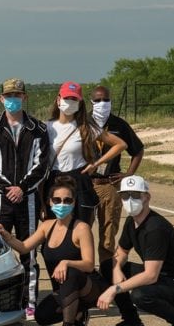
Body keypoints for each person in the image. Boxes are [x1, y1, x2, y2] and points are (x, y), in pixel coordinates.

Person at [0, 176, 108, 326]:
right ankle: (78, 315)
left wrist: (67, 262)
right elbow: (24, 247)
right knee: (42, 317)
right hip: (63, 289)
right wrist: (6, 235)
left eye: (67, 200)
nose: (62, 204)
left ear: (74, 202)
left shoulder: (81, 228)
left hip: (88, 287)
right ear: (50, 203)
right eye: (57, 200)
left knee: (71, 272)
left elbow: (89, 264)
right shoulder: (47, 226)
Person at [97, 175, 174, 326]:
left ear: (147, 197)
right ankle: (132, 322)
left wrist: (114, 289)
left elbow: (150, 276)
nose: (130, 200)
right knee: (108, 265)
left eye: (136, 195)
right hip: (162, 277)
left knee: (141, 295)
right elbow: (121, 251)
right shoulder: (132, 221)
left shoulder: (155, 228)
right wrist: (116, 270)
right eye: (125, 196)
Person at [0, 78, 52, 316]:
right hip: (0, 200)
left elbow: (41, 164)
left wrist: (22, 188)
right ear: (1, 98)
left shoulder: (38, 129)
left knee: (28, 252)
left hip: (28, 200)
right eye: (8, 96)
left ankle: (29, 301)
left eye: (17, 95)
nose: (13, 100)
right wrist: (8, 188)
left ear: (24, 97)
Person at [45, 82, 125, 224]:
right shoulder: (47, 127)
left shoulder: (85, 127)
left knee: (80, 226)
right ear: (58, 100)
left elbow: (120, 144)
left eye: (74, 99)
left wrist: (96, 163)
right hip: (55, 179)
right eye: (67, 98)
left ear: (80, 102)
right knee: (54, 227)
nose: (70, 102)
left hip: (79, 180)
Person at [89, 85, 145, 282]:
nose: (101, 104)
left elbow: (137, 150)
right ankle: (85, 276)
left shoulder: (119, 125)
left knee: (108, 233)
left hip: (109, 183)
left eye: (105, 100)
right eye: (97, 100)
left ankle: (106, 277)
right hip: (86, 184)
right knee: (82, 231)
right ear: (90, 102)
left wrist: (128, 175)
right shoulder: (83, 123)